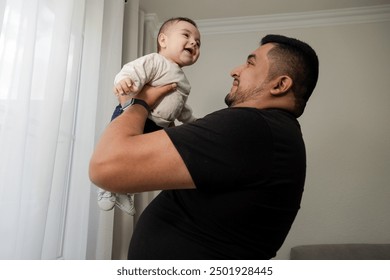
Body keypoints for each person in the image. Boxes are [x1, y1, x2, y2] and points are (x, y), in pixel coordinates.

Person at [89, 34, 319, 259]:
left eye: (250, 63)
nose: (235, 70)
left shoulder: (250, 127)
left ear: (280, 85)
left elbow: (106, 166)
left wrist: (139, 102)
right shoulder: (275, 134)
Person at [96, 17, 201, 215]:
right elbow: (133, 70)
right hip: (134, 115)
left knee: (139, 163)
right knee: (119, 154)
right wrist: (124, 81)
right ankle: (106, 186)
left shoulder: (184, 81)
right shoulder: (156, 61)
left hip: (158, 127)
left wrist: (192, 121)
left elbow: (181, 106)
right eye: (186, 35)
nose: (194, 42)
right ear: (163, 40)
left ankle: (124, 189)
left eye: (198, 42)